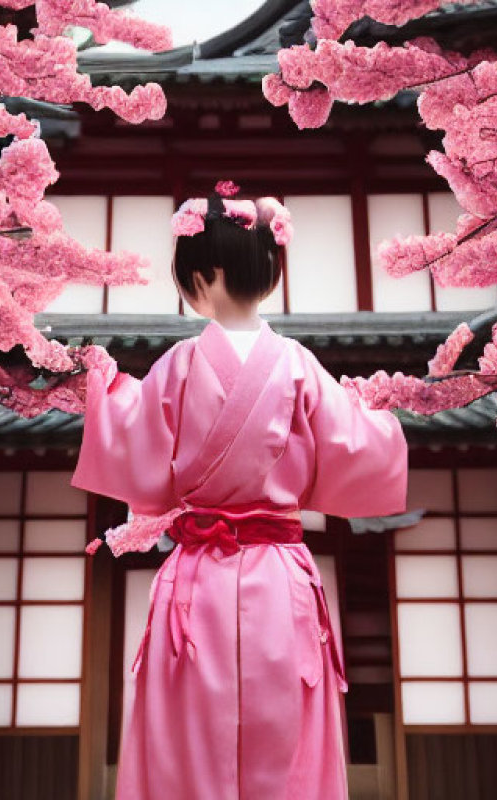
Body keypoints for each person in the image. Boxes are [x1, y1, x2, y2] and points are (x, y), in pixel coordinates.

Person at [70, 186, 408, 800]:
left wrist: (95, 381)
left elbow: (129, 436)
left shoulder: (178, 364)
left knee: (187, 734)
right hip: (281, 579)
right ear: (267, 273)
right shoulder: (301, 365)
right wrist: (389, 408)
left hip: (195, 582)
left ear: (200, 278)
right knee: (286, 737)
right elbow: (357, 441)